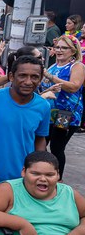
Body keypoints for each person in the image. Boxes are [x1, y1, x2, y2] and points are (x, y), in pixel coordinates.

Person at [0, 55, 50, 215]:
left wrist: (40, 169)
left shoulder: (43, 106)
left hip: (21, 184)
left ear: (40, 79)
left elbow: (40, 139)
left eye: (34, 77)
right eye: (22, 76)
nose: (28, 81)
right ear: (12, 76)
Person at [39, 35, 85, 177]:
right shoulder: (53, 66)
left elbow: (74, 86)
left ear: (73, 51)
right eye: (57, 47)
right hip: (50, 112)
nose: (59, 50)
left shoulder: (77, 66)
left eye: (64, 48)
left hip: (66, 114)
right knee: (40, 143)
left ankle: (57, 179)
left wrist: (50, 77)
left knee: (56, 146)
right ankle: (46, 172)